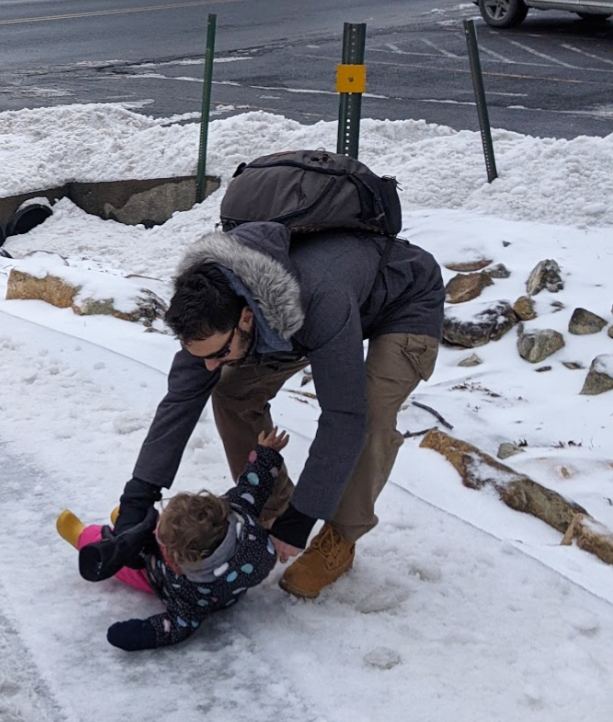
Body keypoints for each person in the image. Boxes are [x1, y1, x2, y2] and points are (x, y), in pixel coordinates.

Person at [105, 220, 445, 600]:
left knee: (370, 413)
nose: (210, 364)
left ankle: (340, 536)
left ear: (245, 318)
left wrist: (300, 521)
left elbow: (342, 417)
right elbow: (180, 401)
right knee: (231, 389)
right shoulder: (206, 309)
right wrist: (139, 496)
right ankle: (268, 508)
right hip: (304, 306)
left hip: (402, 299)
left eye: (219, 353)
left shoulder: (320, 300)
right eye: (201, 355)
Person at [59, 429, 290, 651]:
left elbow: (175, 627)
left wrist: (139, 634)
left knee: (128, 560)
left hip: (155, 575)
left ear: (173, 563)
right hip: (219, 569)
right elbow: (254, 485)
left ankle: (83, 536)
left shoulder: (190, 596)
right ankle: (126, 522)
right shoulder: (241, 517)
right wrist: (267, 454)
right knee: (150, 528)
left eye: (162, 542)